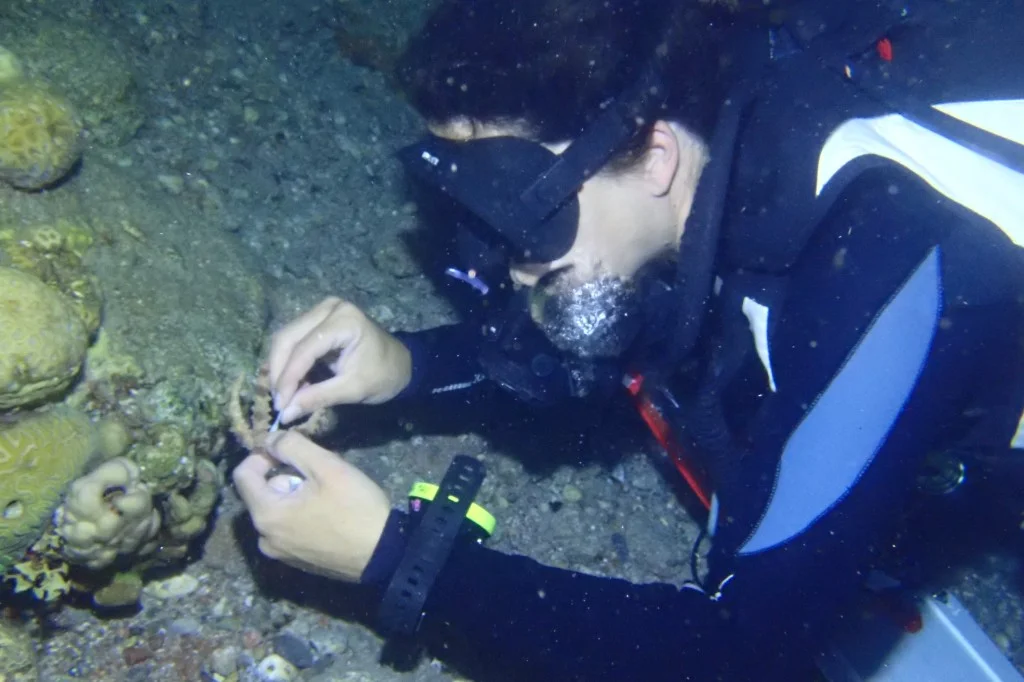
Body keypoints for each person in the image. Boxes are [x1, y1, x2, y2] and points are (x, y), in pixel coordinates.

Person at [233, 0, 1024, 679]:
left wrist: (399, 562)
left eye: (514, 213)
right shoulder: (727, 145)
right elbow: (624, 330)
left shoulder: (880, 249)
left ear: (654, 155)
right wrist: (408, 366)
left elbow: (741, 650)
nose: (502, 268)